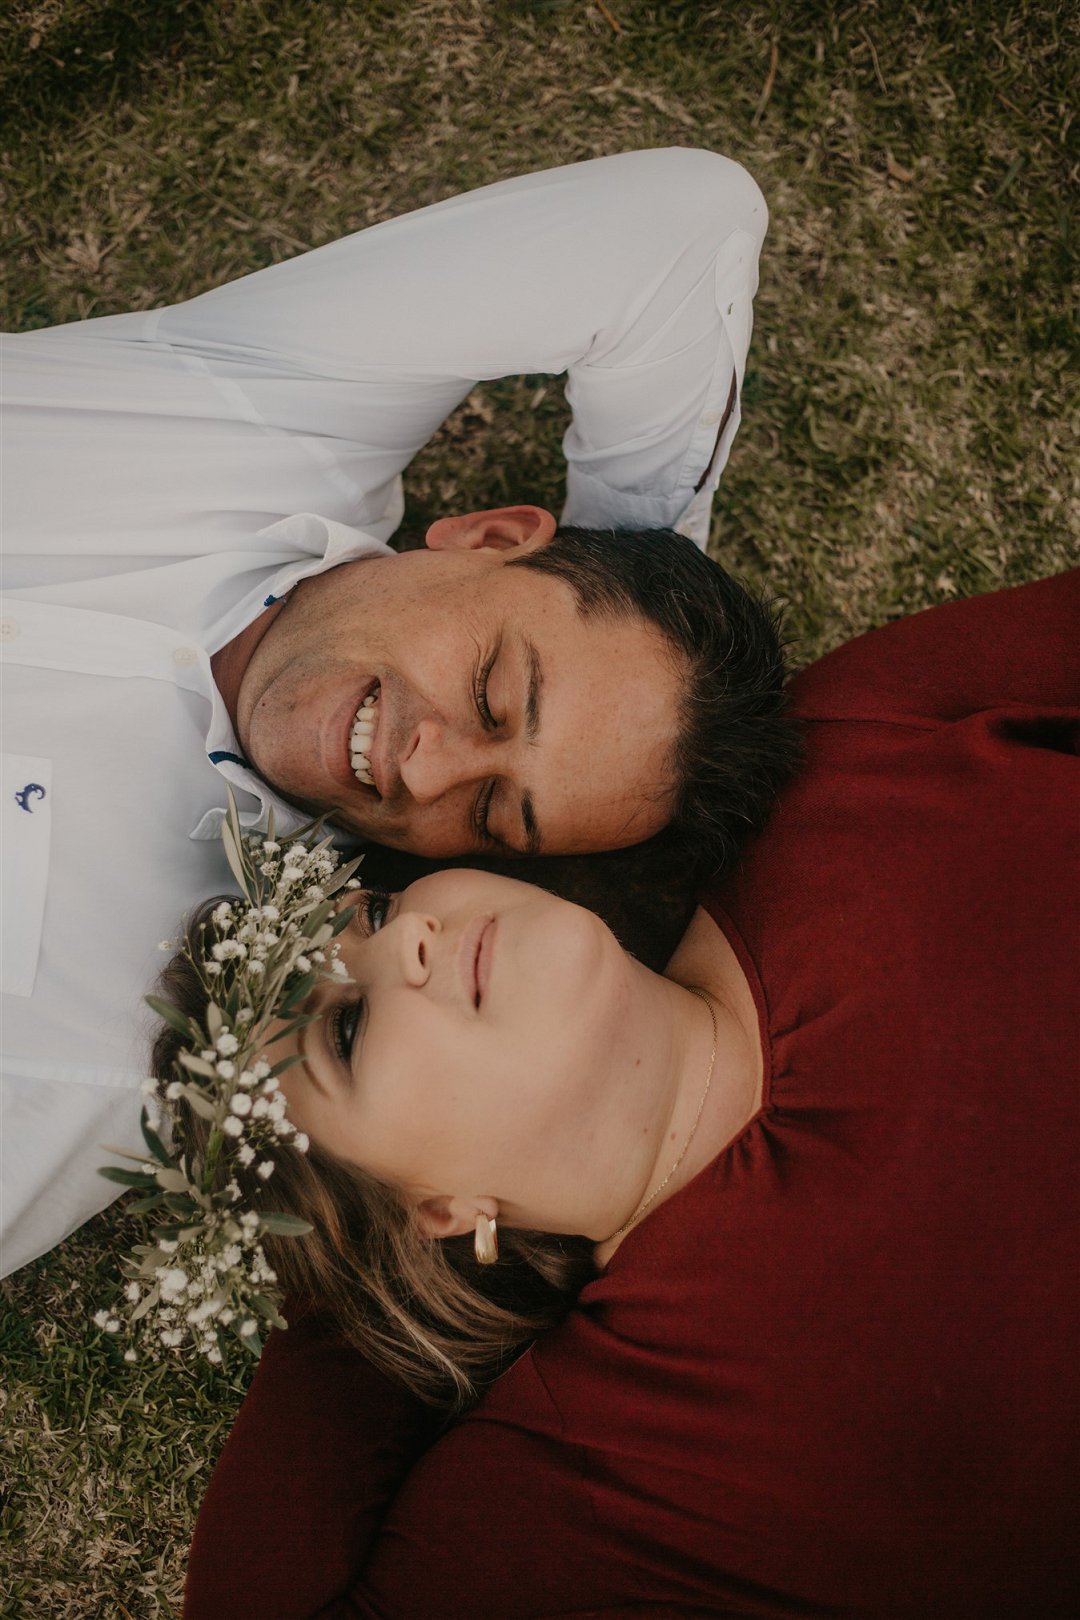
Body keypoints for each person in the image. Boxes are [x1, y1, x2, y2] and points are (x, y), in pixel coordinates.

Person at [169, 569, 1077, 1617]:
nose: (408, 938)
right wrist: (354, 1266)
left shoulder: (857, 749)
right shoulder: (597, 1481)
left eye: (369, 910)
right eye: (350, 1025)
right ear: (436, 1213)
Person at [0, 148, 798, 1278]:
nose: (426, 771)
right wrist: (644, 562)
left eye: (495, 814)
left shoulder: (133, 1012)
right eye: (494, 691)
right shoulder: (268, 418)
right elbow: (679, 225)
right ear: (488, 538)